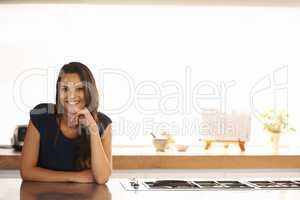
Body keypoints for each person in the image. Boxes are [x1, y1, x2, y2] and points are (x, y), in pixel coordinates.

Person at [21, 62, 112, 184]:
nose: (71, 95)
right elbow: (26, 171)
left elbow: (102, 178)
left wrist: (92, 127)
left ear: (90, 92)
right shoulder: (41, 115)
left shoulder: (103, 124)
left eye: (79, 88)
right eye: (65, 88)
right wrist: (75, 177)